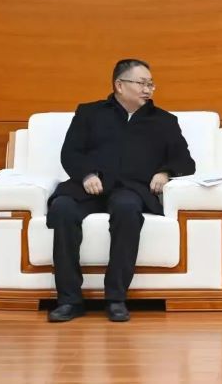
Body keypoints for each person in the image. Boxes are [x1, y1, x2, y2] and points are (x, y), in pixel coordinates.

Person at [46, 58, 195, 322]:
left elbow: (185, 161)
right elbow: (70, 153)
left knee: (127, 209)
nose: (148, 90)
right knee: (62, 208)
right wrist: (87, 174)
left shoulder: (164, 121)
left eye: (151, 84)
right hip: (89, 186)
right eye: (142, 83)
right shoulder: (89, 113)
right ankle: (69, 300)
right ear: (119, 85)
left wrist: (165, 172)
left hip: (131, 189)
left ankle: (116, 298)